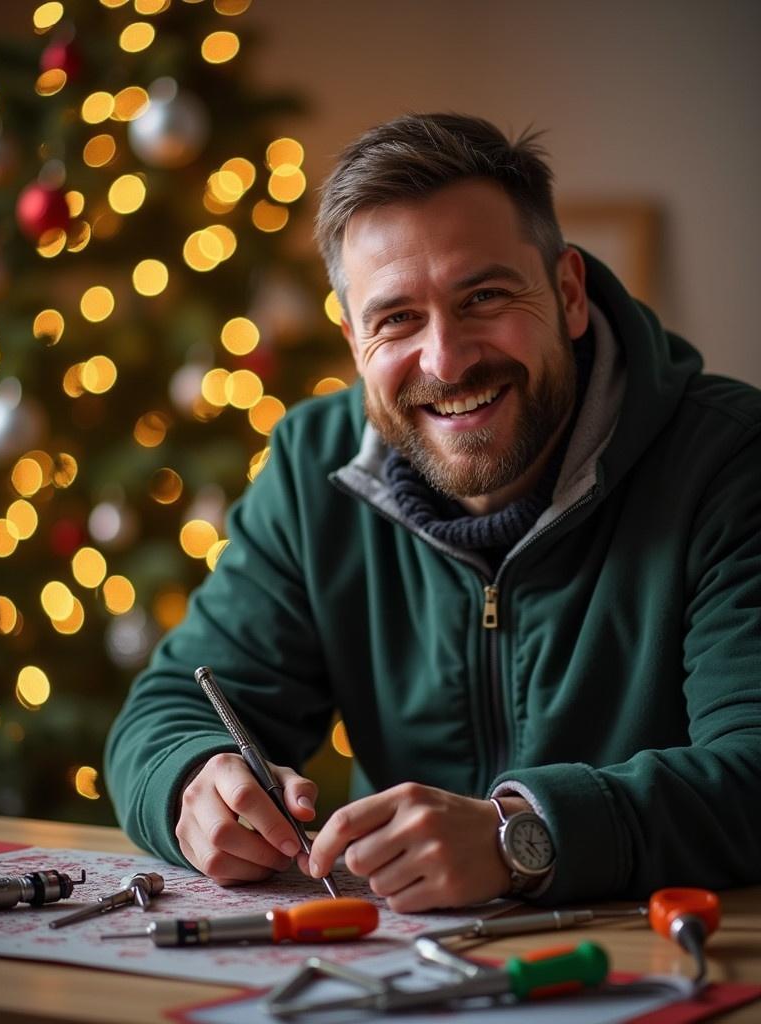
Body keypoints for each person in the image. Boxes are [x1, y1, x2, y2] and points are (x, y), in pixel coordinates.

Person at [105, 113, 761, 912]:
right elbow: (165, 711)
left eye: (483, 296)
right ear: (353, 342)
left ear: (569, 294)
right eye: (396, 319)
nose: (446, 360)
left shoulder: (730, 460)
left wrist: (520, 835)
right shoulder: (313, 467)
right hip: (391, 973)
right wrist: (191, 785)